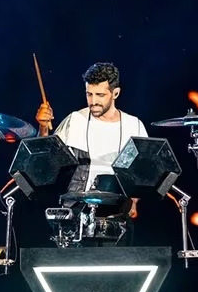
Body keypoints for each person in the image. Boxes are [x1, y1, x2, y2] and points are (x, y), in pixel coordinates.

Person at [35, 61, 148, 221]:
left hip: (118, 209)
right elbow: (44, 160)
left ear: (115, 93)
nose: (93, 101)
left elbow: (141, 171)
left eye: (100, 95)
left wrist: (135, 201)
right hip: (78, 207)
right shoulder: (76, 119)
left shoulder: (134, 125)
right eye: (89, 94)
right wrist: (43, 127)